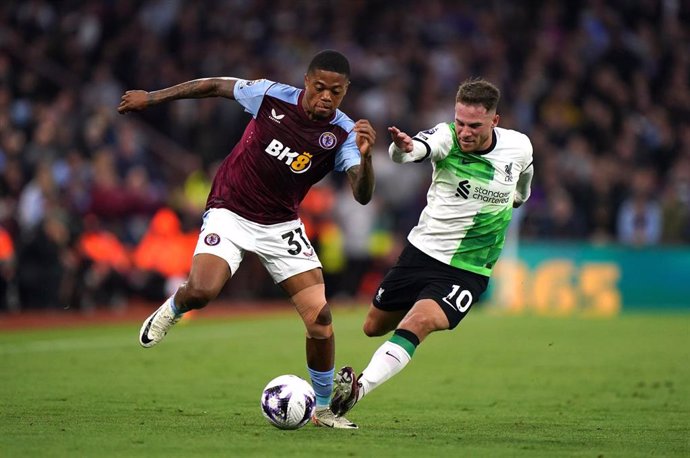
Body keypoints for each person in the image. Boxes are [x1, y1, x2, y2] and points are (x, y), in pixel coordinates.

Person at [117, 50, 376, 429]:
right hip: (230, 208)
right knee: (203, 292)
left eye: (335, 92)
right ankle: (173, 307)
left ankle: (322, 410)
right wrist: (153, 97)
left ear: (345, 91)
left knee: (320, 319)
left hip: (281, 224)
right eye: (319, 87)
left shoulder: (343, 134)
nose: (326, 97)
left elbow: (363, 193)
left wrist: (367, 159)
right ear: (306, 81)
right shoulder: (271, 95)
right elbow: (214, 85)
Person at [330, 78, 534, 423]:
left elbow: (525, 173)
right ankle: (415, 308)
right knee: (372, 326)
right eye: (460, 122)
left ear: (494, 122)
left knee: (419, 322)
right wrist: (403, 147)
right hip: (421, 252)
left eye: (474, 125)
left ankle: (358, 389)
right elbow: (413, 151)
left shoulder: (518, 145)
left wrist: (520, 196)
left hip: (469, 268)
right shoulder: (446, 138)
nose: (465, 132)